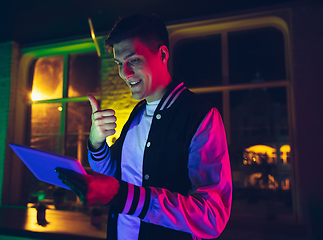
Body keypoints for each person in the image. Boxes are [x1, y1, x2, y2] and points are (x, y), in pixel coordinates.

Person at [56, 14, 232, 240]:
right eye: (120, 64)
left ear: (162, 54)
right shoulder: (137, 114)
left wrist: (124, 196)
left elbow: (211, 217)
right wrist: (97, 142)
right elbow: (112, 175)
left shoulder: (201, 116)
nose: (125, 73)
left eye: (134, 60)